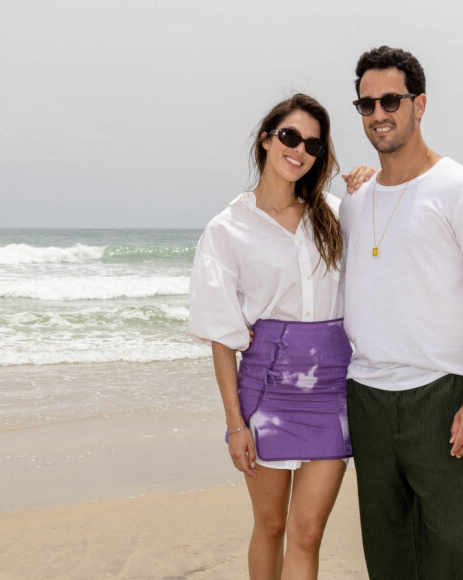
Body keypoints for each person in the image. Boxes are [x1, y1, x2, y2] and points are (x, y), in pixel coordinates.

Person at [188, 93, 352, 580]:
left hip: (331, 391)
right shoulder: (227, 229)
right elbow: (221, 334)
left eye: (313, 145)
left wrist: (368, 182)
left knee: (308, 534)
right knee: (271, 524)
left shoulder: (338, 214)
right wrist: (235, 424)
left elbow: (390, 240)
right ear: (265, 139)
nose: (299, 150)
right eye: (290, 136)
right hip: (267, 392)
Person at [339, 45, 463, 580]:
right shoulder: (354, 199)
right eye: (366, 104)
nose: (379, 113)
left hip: (439, 395)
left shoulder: (454, 187)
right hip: (366, 397)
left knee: (451, 551)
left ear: (420, 103)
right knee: (387, 557)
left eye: (391, 99)